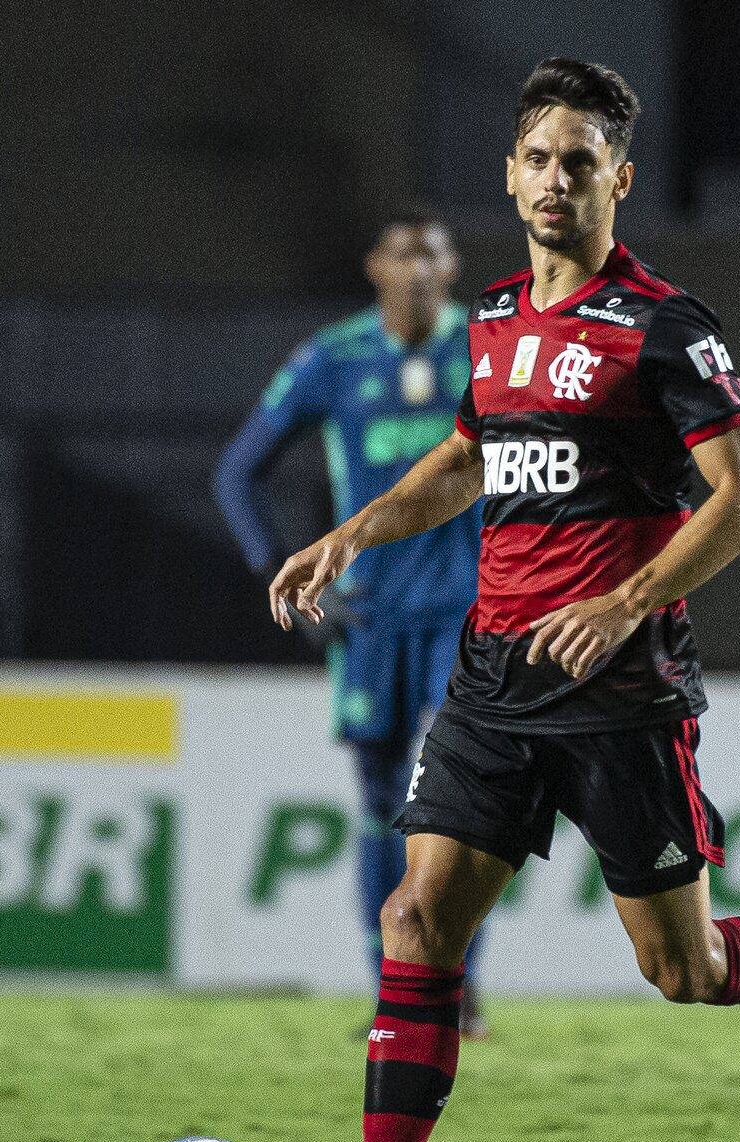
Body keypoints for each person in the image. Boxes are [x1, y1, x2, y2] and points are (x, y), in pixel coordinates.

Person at [259, 58, 740, 1142]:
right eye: (535, 158)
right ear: (509, 175)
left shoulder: (662, 327)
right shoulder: (489, 321)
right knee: (416, 919)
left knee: (680, 969)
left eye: (578, 161)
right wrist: (351, 530)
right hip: (492, 679)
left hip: (617, 687)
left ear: (618, 181)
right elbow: (463, 460)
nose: (552, 180)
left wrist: (628, 598)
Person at [214, 210, 491, 1038]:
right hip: (367, 616)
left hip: (467, 611)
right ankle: (394, 992)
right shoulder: (333, 358)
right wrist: (287, 574)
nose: (416, 268)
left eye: (432, 253)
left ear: (451, 268)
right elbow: (235, 475)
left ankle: (457, 987)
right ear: (375, 266)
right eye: (401, 253)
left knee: (460, 800)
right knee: (379, 802)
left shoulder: (487, 347)